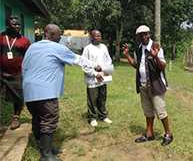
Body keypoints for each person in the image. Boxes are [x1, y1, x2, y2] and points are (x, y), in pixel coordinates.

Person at [22, 24, 100, 161]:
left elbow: (23, 66)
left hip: (29, 92)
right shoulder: (57, 48)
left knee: (37, 119)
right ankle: (46, 156)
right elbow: (78, 60)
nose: (60, 38)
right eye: (59, 35)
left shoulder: (32, 47)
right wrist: (95, 65)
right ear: (50, 35)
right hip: (45, 92)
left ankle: (46, 148)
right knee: (49, 120)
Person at [122, 25, 173, 146]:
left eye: (146, 34)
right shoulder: (138, 49)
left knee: (160, 111)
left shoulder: (155, 47)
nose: (144, 36)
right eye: (141, 35)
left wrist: (156, 57)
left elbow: (162, 67)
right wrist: (127, 55)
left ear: (149, 34)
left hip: (155, 84)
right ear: (138, 37)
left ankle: (168, 134)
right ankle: (149, 133)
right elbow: (136, 65)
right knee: (148, 111)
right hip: (143, 84)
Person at [0, 16, 31, 130]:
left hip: (17, 73)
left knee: (18, 96)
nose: (18, 26)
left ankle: (16, 118)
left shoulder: (24, 41)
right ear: (8, 25)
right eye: (15, 24)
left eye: (19, 24)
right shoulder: (1, 37)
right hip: (1, 72)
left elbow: (29, 57)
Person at [82, 29, 114, 127]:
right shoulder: (87, 49)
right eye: (97, 36)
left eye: (100, 36)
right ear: (91, 37)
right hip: (92, 79)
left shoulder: (103, 47)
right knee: (92, 99)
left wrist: (105, 69)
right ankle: (92, 117)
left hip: (103, 77)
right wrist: (95, 73)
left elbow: (108, 60)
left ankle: (103, 116)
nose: (99, 38)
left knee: (102, 98)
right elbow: (84, 65)